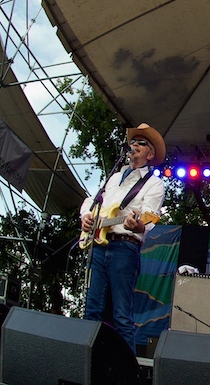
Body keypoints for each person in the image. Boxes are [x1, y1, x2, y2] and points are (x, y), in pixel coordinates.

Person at [80, 123, 165, 350]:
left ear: (150, 153)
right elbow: (93, 200)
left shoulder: (154, 183)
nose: (134, 145)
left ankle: (128, 373)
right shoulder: (114, 177)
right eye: (133, 142)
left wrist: (138, 225)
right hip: (98, 246)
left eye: (141, 143)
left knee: (121, 315)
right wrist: (87, 216)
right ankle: (88, 363)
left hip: (124, 249)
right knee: (92, 309)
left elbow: (150, 217)